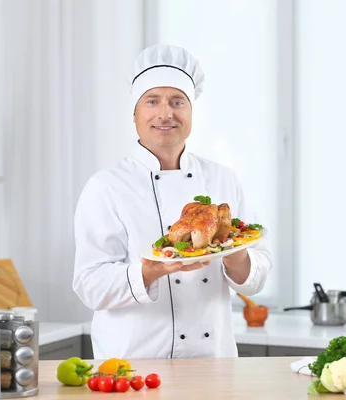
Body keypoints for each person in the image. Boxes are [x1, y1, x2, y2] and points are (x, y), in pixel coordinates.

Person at [72, 44, 272, 359]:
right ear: (134, 113)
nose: (166, 114)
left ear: (191, 112)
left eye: (178, 102)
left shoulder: (223, 179)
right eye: (152, 101)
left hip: (213, 364)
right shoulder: (106, 186)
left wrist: (236, 257)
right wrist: (147, 272)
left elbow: (257, 278)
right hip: (134, 367)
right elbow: (89, 285)